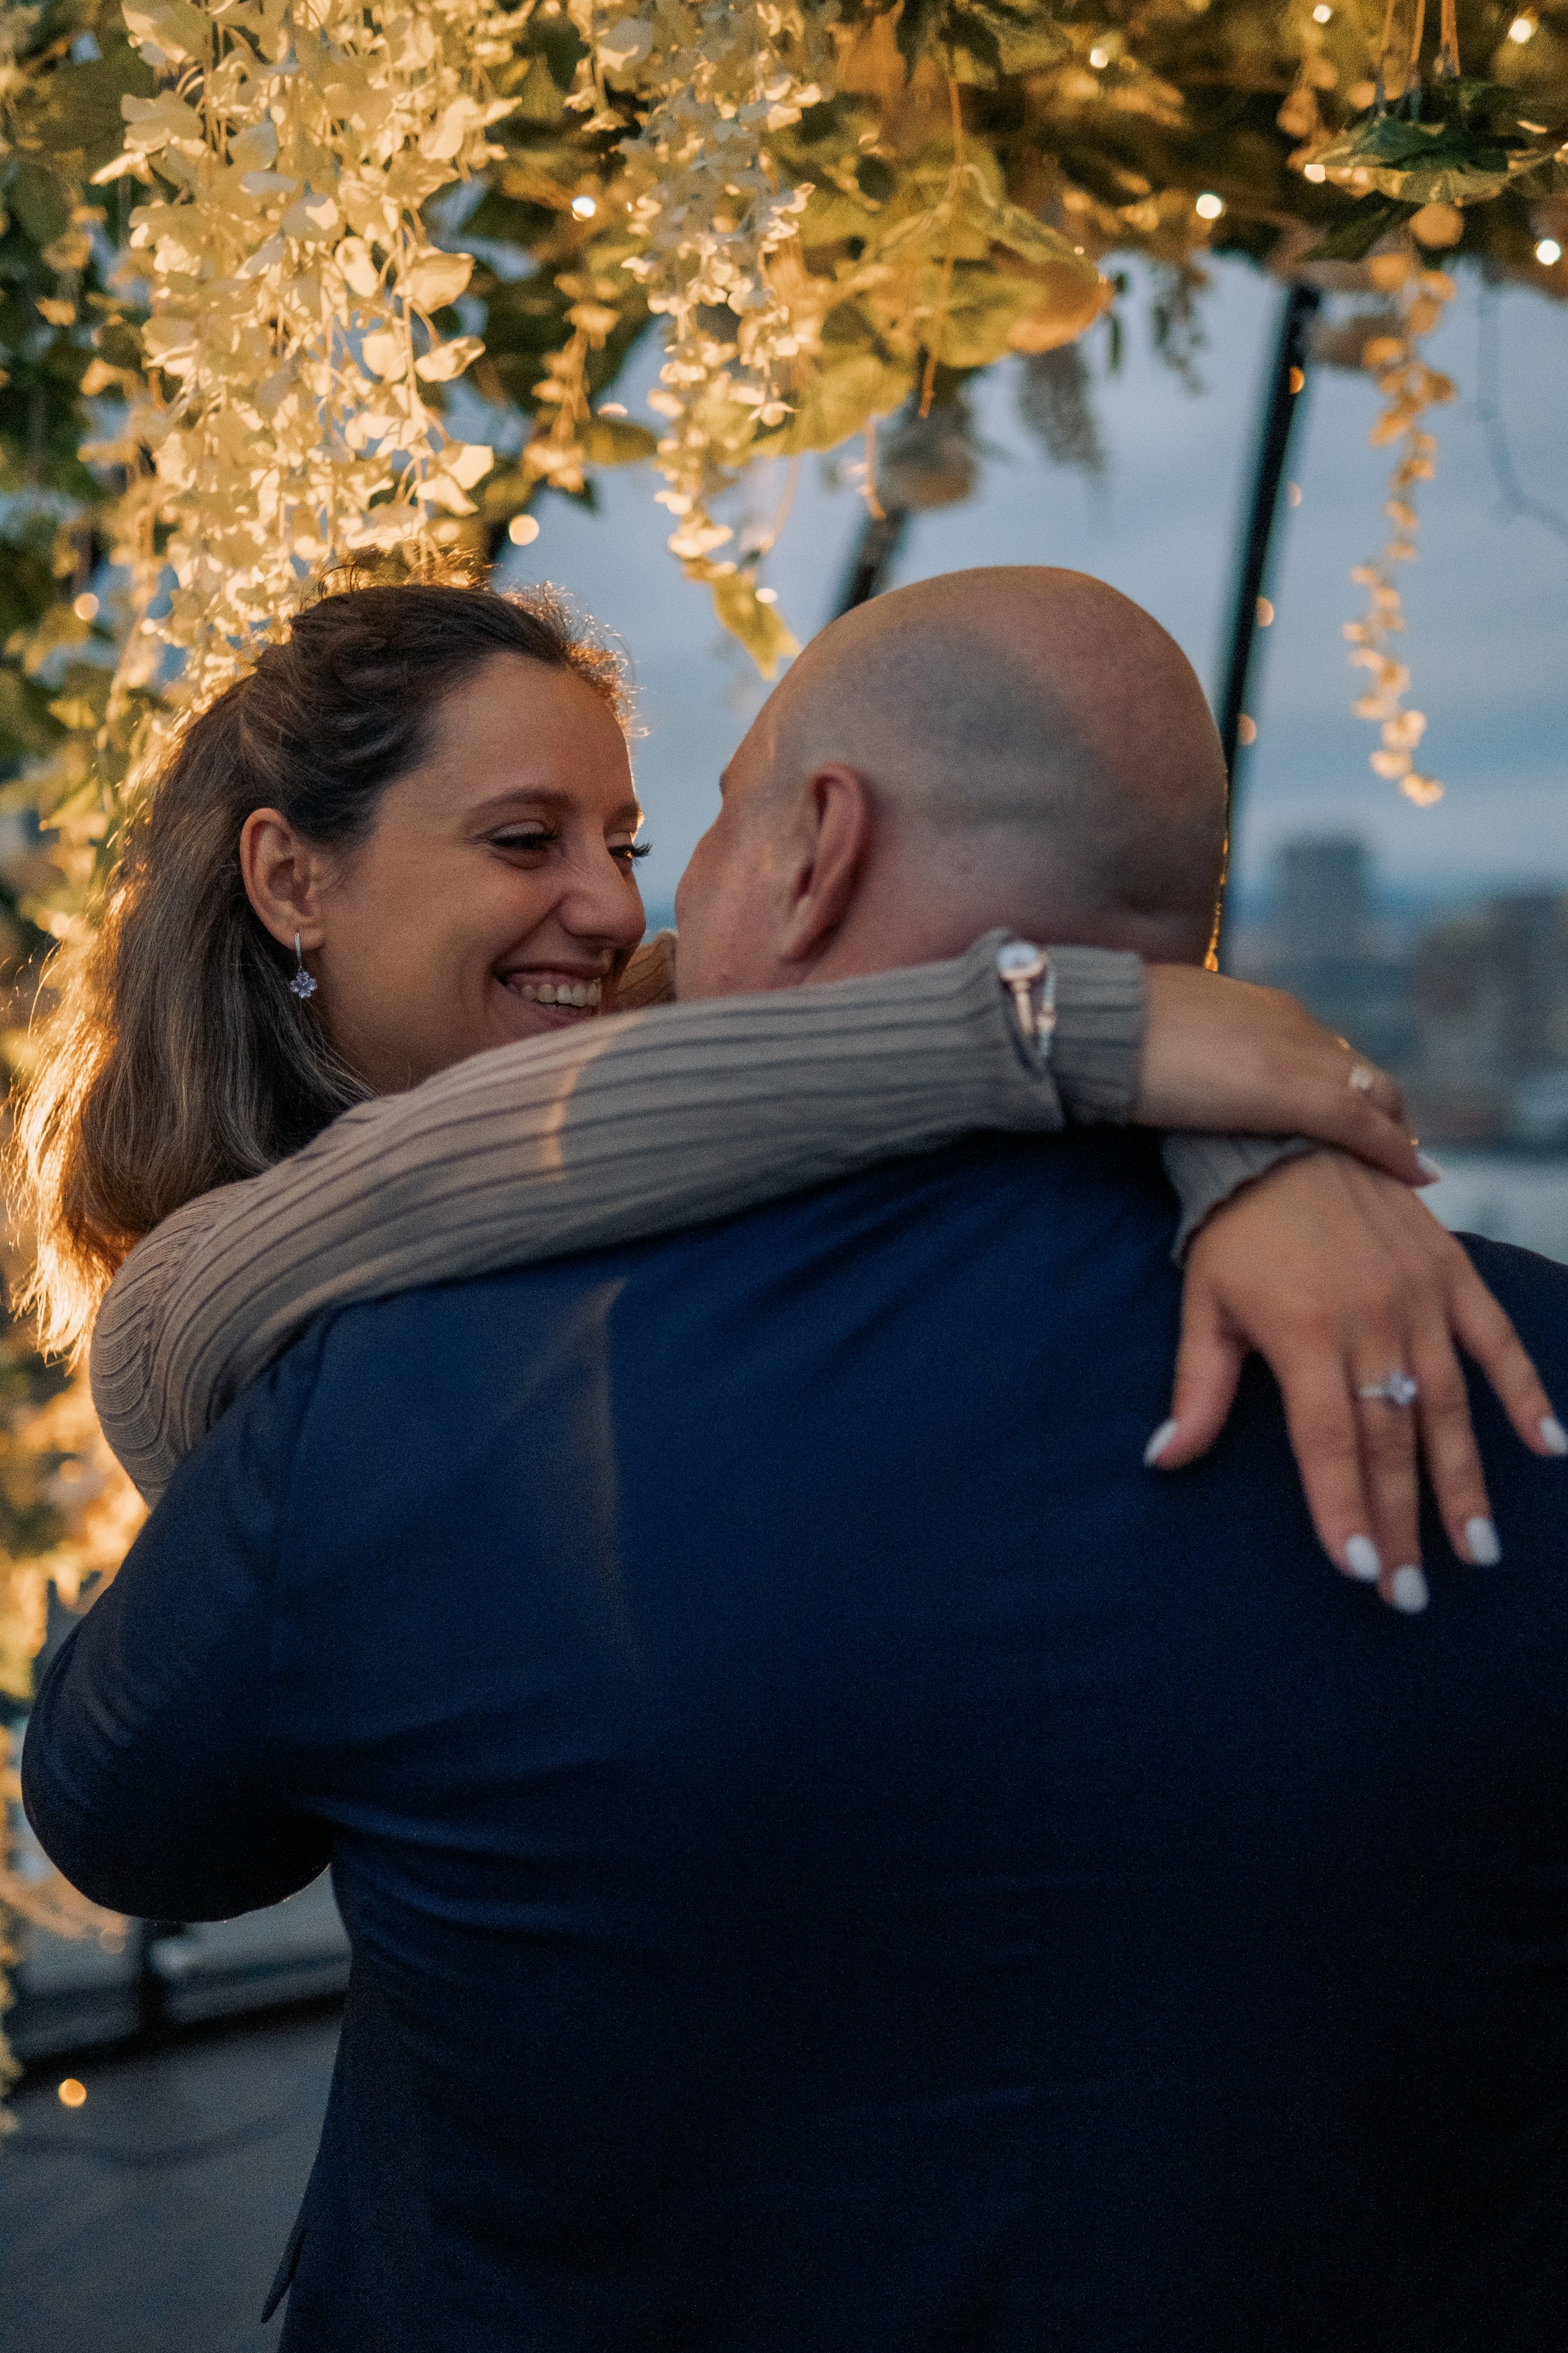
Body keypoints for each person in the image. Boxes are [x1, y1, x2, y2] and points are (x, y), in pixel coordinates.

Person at [23, 568, 1568, 2349]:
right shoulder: (1504, 1358)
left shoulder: (388, 1401)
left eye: (674, 831)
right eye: (533, 840)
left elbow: (129, 1821)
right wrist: (1196, 1094)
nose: (629, 907)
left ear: (818, 847)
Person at [15, 573, 1547, 1592]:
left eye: (624, 841)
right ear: (291, 879)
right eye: (523, 841)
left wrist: (1258, 1151)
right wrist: (1079, 1032)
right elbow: (257, 1271)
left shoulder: (668, 1048)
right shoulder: (210, 1299)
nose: (615, 904)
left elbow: (917, 985)